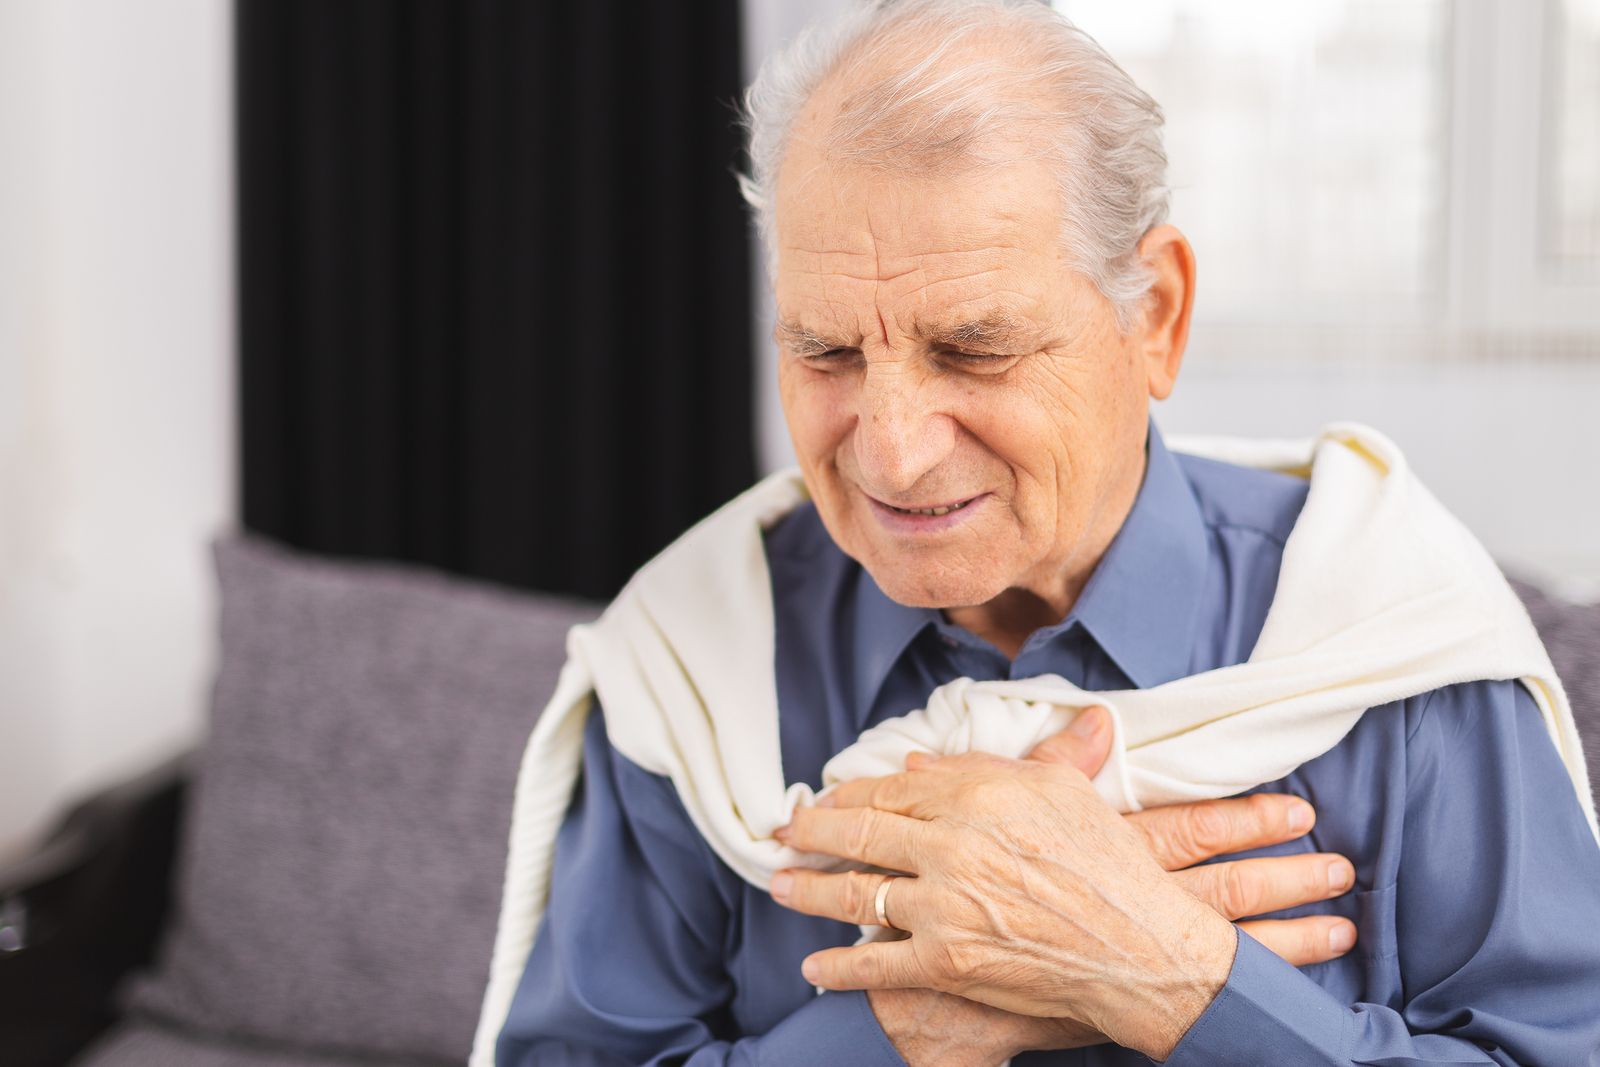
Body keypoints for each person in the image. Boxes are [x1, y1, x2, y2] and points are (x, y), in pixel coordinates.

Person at [485, 2, 1600, 1063]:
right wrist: (915, 1022)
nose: (893, 451)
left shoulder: (1387, 622)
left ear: (1152, 316)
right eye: (826, 351)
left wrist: (1163, 974)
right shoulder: (689, 663)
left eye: (973, 349)